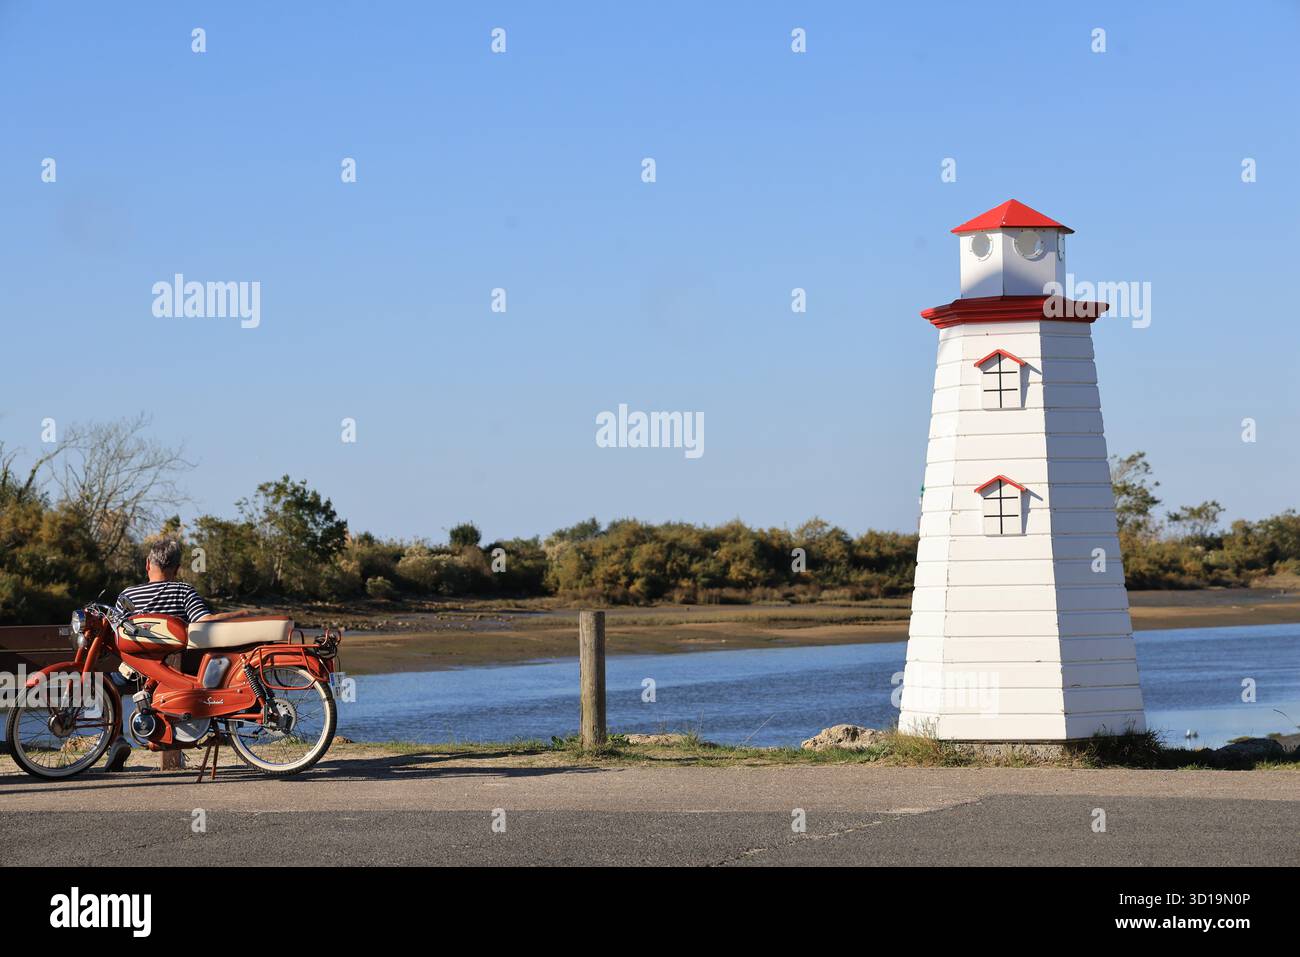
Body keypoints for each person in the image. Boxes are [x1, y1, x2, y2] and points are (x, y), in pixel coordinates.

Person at [104, 539, 246, 771]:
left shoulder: (128, 595)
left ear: (148, 564)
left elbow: (116, 633)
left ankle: (117, 740)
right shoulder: (183, 590)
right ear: (177, 569)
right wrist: (240, 614)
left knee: (108, 685)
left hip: (139, 671)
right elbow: (204, 622)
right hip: (179, 672)